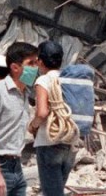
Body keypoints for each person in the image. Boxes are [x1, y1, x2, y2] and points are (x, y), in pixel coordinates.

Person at [0, 41, 39, 196]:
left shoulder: (24, 94)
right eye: (30, 63)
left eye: (36, 63)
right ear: (15, 67)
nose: (35, 68)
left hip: (16, 166)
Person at [27, 41, 76, 196]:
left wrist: (33, 126)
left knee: (51, 193)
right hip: (70, 142)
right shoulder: (69, 79)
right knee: (57, 190)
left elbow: (42, 112)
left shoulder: (44, 80)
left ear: (40, 61)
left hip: (49, 143)